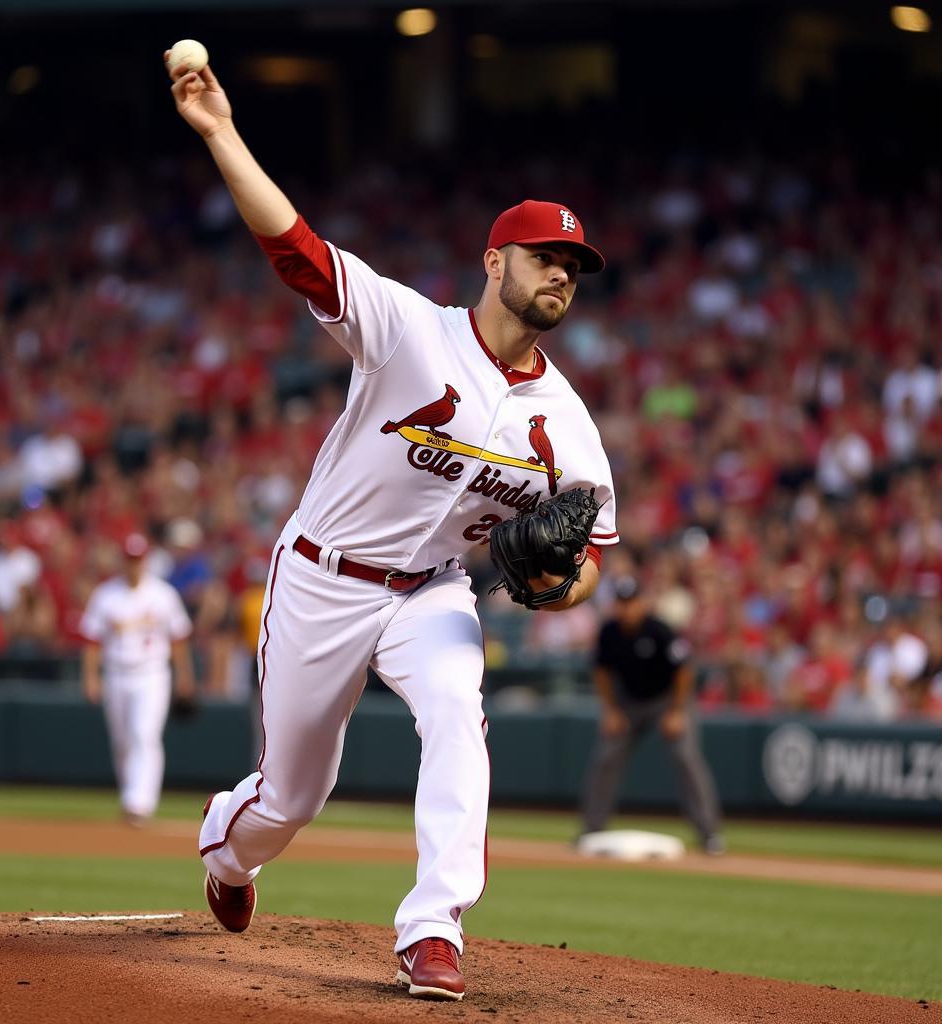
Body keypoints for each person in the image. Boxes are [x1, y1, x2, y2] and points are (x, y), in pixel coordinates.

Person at [167, 53, 619, 1002]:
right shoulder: (411, 331)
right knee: (290, 799)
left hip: (433, 593)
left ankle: (433, 928)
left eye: (575, 268)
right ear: (496, 261)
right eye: (547, 258)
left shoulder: (571, 430)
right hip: (324, 576)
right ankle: (229, 856)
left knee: (458, 711)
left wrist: (553, 584)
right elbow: (296, 248)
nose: (562, 277)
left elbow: (592, 563)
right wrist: (219, 133)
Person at [579, 576, 724, 855]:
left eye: (631, 603)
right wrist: (610, 710)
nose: (626, 609)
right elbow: (601, 672)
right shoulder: (609, 631)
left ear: (642, 603)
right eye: (621, 603)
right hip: (627, 703)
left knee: (686, 758)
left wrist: (677, 712)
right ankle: (591, 829)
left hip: (666, 700)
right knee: (605, 757)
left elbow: (684, 671)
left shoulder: (659, 630)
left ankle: (709, 833)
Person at [80, 533, 195, 826]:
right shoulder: (106, 595)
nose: (134, 565)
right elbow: (92, 641)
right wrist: (91, 677)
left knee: (144, 735)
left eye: (138, 560)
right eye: (130, 560)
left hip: (152, 673)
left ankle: (139, 803)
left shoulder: (163, 594)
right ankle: (130, 797)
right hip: (116, 674)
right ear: (123, 561)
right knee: (122, 742)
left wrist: (185, 676)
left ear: (146, 561)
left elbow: (179, 639)